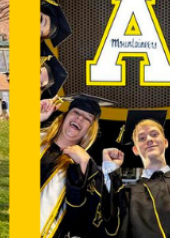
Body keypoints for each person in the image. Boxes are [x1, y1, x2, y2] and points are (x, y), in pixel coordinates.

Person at [39, 95, 108, 237]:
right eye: (76, 112)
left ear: (89, 130)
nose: (79, 119)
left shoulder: (83, 166)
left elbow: (83, 220)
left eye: (87, 119)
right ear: (65, 117)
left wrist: (84, 167)